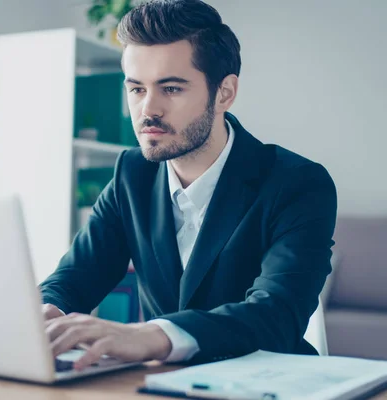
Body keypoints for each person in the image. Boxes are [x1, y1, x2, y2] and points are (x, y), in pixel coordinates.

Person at [40, 0, 337, 371]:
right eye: (136, 89)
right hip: (157, 384)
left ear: (225, 93)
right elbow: (75, 277)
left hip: (267, 383)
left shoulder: (298, 184)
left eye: (171, 89)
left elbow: (276, 314)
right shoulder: (131, 173)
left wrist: (152, 336)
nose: (149, 109)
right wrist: (44, 311)